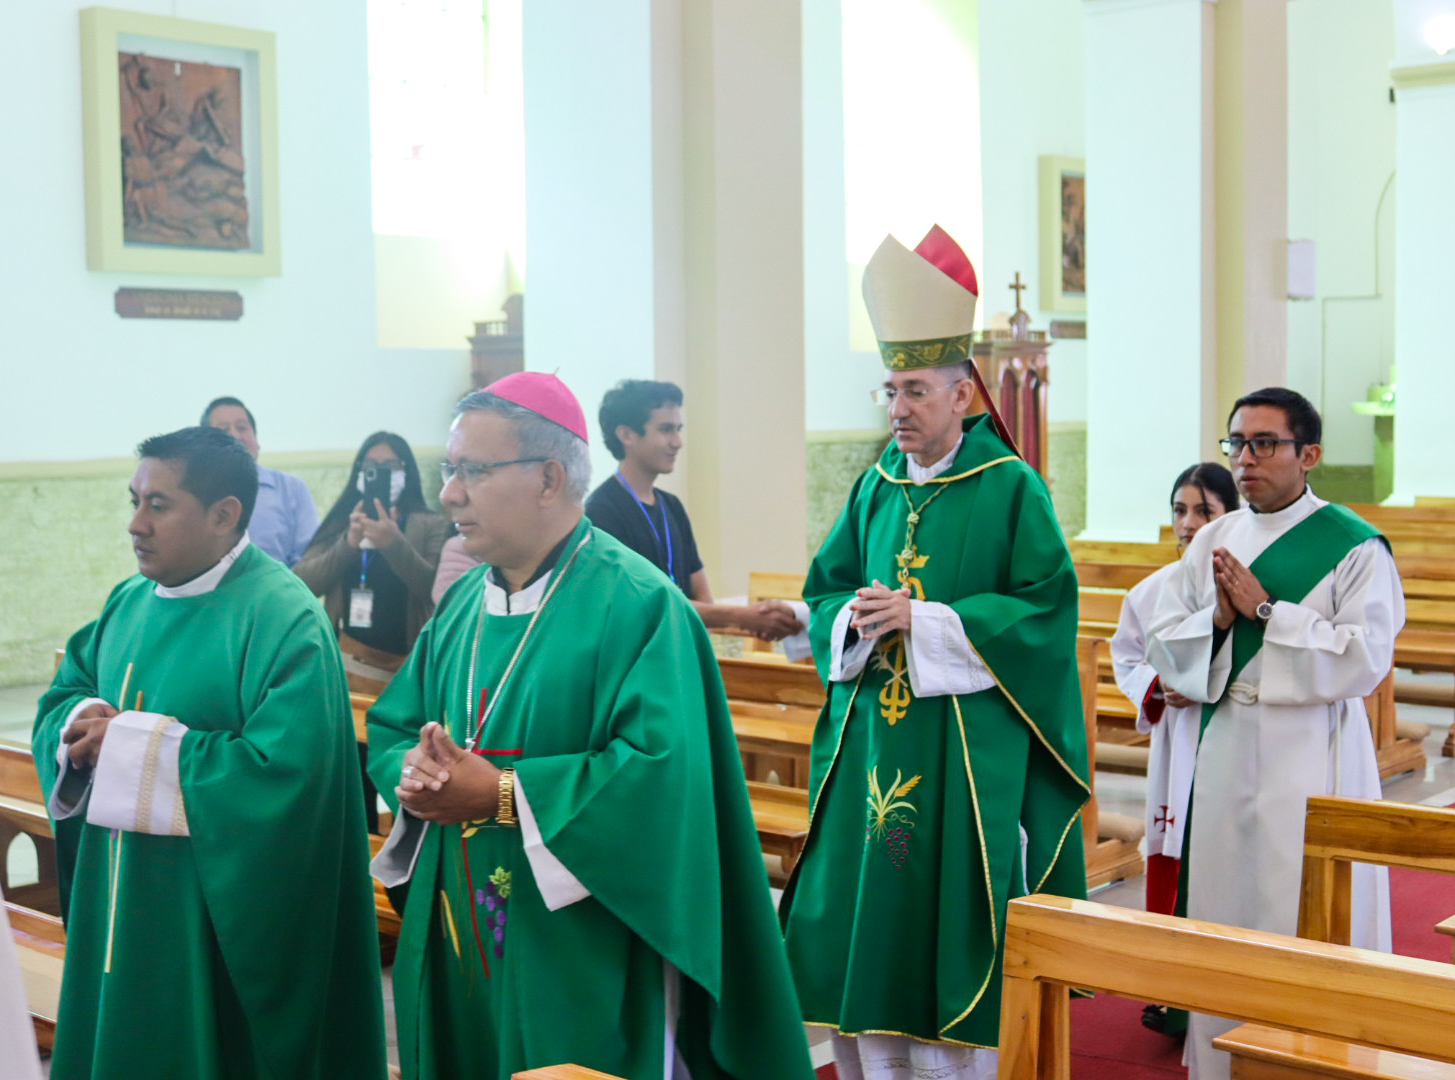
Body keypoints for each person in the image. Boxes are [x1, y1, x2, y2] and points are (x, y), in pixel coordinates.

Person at [366, 372, 814, 1080]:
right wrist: (412, 772)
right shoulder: (462, 607)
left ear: (548, 478)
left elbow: (659, 777)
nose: (449, 493)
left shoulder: (639, 605)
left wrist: (502, 794)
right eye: (449, 471)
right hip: (458, 927)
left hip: (581, 943)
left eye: (471, 471)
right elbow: (396, 724)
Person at [779, 227, 1089, 1080]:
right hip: (873, 742)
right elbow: (826, 591)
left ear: (962, 395)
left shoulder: (1009, 486)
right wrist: (851, 619)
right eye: (890, 390)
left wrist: (926, 620)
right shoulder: (874, 484)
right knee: (869, 902)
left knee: (944, 906)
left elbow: (1044, 610)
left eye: (914, 391)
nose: (897, 409)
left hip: (960, 752)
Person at [33, 426, 385, 1079]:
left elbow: (285, 776)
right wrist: (80, 721)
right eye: (134, 501)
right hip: (120, 898)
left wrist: (129, 745)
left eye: (158, 505)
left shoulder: (283, 618)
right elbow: (67, 691)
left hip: (213, 916)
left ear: (224, 514)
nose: (135, 524)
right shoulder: (129, 601)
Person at [1146, 388, 1400, 1080]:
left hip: (1312, 749)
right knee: (1224, 910)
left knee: (1304, 907)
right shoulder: (1213, 540)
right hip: (1226, 744)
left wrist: (1266, 611)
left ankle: (1317, 1061)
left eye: (1263, 443)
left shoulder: (1354, 547)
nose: (1245, 459)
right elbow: (1163, 639)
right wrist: (1218, 622)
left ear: (1308, 454)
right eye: (1236, 443)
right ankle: (1221, 1061)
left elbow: (1365, 658)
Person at [1109, 461, 1238, 1035]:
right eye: (1180, 510)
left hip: (1230, 735)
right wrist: (1159, 686)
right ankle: (1170, 990)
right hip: (1178, 738)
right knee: (1174, 849)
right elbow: (1126, 656)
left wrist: (1208, 681)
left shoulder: (1249, 585)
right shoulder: (1150, 590)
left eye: (1203, 510)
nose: (1188, 523)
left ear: (1231, 516)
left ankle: (1223, 987)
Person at [586, 379, 803, 642]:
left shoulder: (672, 506)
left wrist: (748, 618)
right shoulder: (601, 512)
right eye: (665, 429)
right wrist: (742, 617)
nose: (677, 442)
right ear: (626, 435)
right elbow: (638, 605)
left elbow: (702, 596)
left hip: (682, 652)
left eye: (678, 429)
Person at [294, 431, 448, 690]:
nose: (379, 472)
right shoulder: (342, 522)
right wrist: (349, 543)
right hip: (346, 662)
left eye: (390, 465)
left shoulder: (432, 524)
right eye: (370, 466)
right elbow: (302, 584)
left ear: (406, 471)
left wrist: (393, 543)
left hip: (407, 666)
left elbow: (433, 591)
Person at [202, 395, 318, 566]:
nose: (235, 435)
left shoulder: (291, 488)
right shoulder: (194, 492)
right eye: (224, 430)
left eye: (242, 428)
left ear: (256, 440)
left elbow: (310, 557)